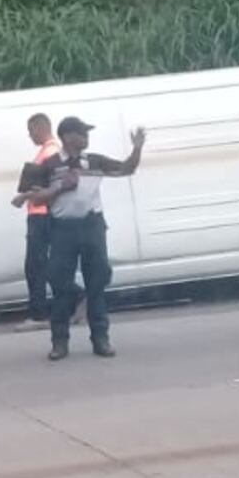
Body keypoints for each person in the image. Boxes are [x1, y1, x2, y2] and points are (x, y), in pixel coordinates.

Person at [21, 116, 146, 361]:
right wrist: (59, 188)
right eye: (82, 133)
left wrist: (137, 148)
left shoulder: (94, 161)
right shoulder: (50, 165)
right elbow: (35, 198)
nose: (86, 138)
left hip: (92, 226)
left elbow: (127, 168)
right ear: (67, 136)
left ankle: (101, 338)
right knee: (60, 287)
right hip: (62, 229)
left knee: (96, 284)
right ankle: (59, 342)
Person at [11, 112, 86, 332]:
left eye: (31, 130)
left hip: (42, 214)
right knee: (42, 265)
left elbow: (49, 185)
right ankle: (76, 297)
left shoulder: (51, 152)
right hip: (39, 212)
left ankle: (40, 313)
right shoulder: (45, 151)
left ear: (39, 128)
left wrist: (24, 196)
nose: (30, 135)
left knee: (36, 265)